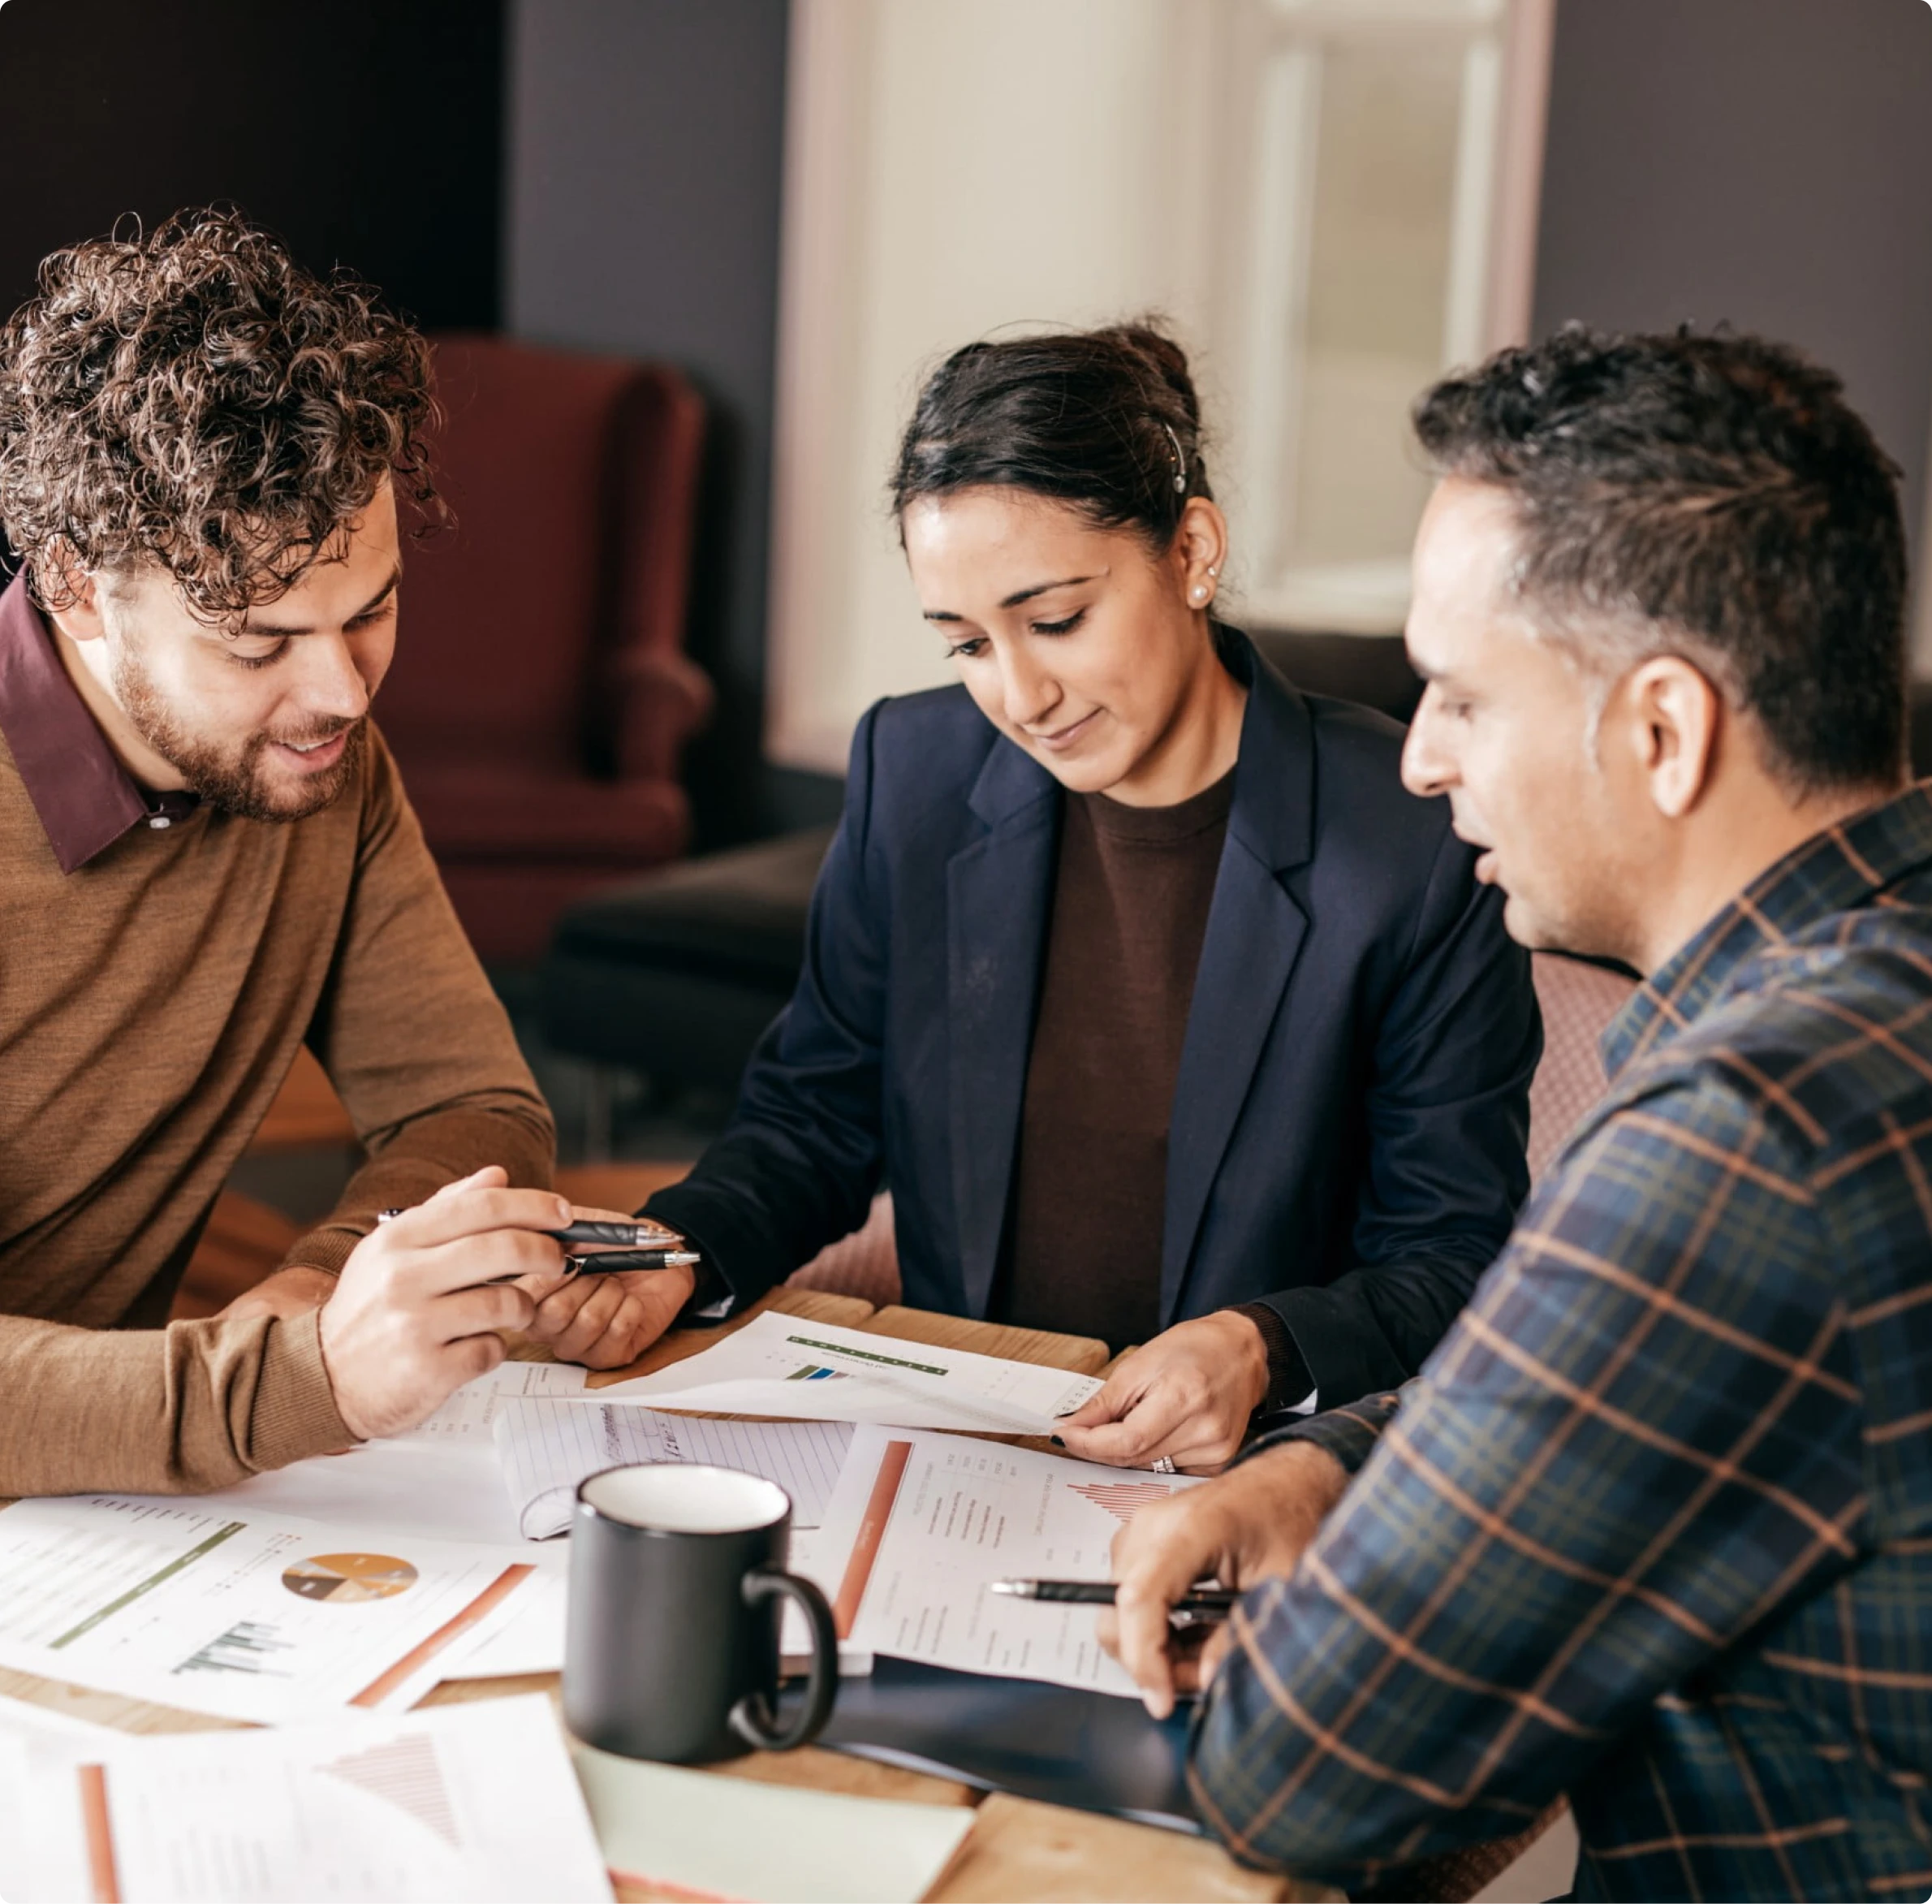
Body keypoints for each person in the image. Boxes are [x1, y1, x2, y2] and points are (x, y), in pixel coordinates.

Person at [1103, 326, 1932, 1900]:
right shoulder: (1876, 981)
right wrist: (1338, 1462)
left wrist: (1343, 1584)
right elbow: (1661, 1381)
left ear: (1661, 730)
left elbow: (1303, 1771)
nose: (1417, 762)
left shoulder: (1749, 1132)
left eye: (1458, 698)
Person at [613, 324, 1539, 1471]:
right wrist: (672, 1252)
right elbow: (814, 1118)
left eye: (1055, 621)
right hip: (966, 1456)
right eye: (966, 643)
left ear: (1192, 550)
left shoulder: (1409, 838)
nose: (1020, 693)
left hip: (1250, 1479)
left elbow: (1454, 1256)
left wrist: (1264, 1347)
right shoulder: (917, 772)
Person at [0, 209, 671, 1496]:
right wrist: (303, 1377)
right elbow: (275, 1385)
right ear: (76, 585)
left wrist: (338, 1281)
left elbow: (471, 1106)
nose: (344, 695)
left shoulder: (320, 759)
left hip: (121, 1493)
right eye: (258, 644)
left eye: (371, 612)